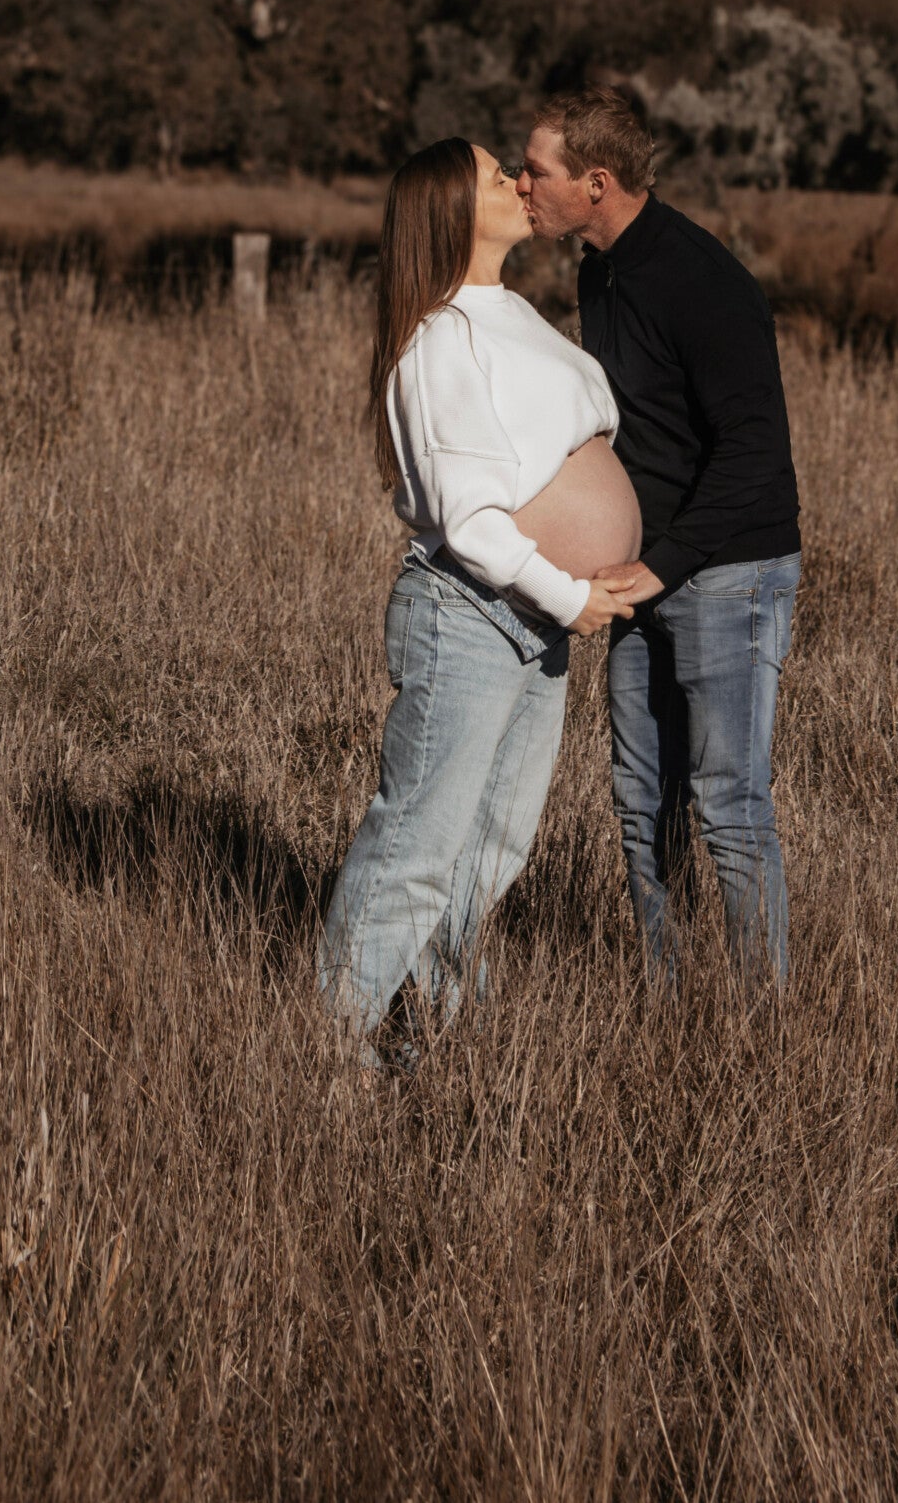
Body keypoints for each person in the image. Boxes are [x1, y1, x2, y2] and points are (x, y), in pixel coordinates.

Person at [320, 136, 650, 1055]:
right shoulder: (438, 339)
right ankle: (335, 1046)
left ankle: (431, 1027)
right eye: (494, 175)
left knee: (495, 844)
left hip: (532, 620)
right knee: (419, 842)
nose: (516, 180)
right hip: (468, 612)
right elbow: (468, 519)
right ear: (451, 213)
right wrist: (568, 591)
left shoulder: (511, 311)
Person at [518, 89, 801, 985]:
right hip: (638, 571)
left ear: (596, 183)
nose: (521, 184)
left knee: (728, 806)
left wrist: (661, 566)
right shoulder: (599, 270)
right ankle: (668, 1003)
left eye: (537, 170)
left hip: (728, 571)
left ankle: (762, 1020)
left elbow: (754, 453)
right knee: (642, 801)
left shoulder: (702, 282)